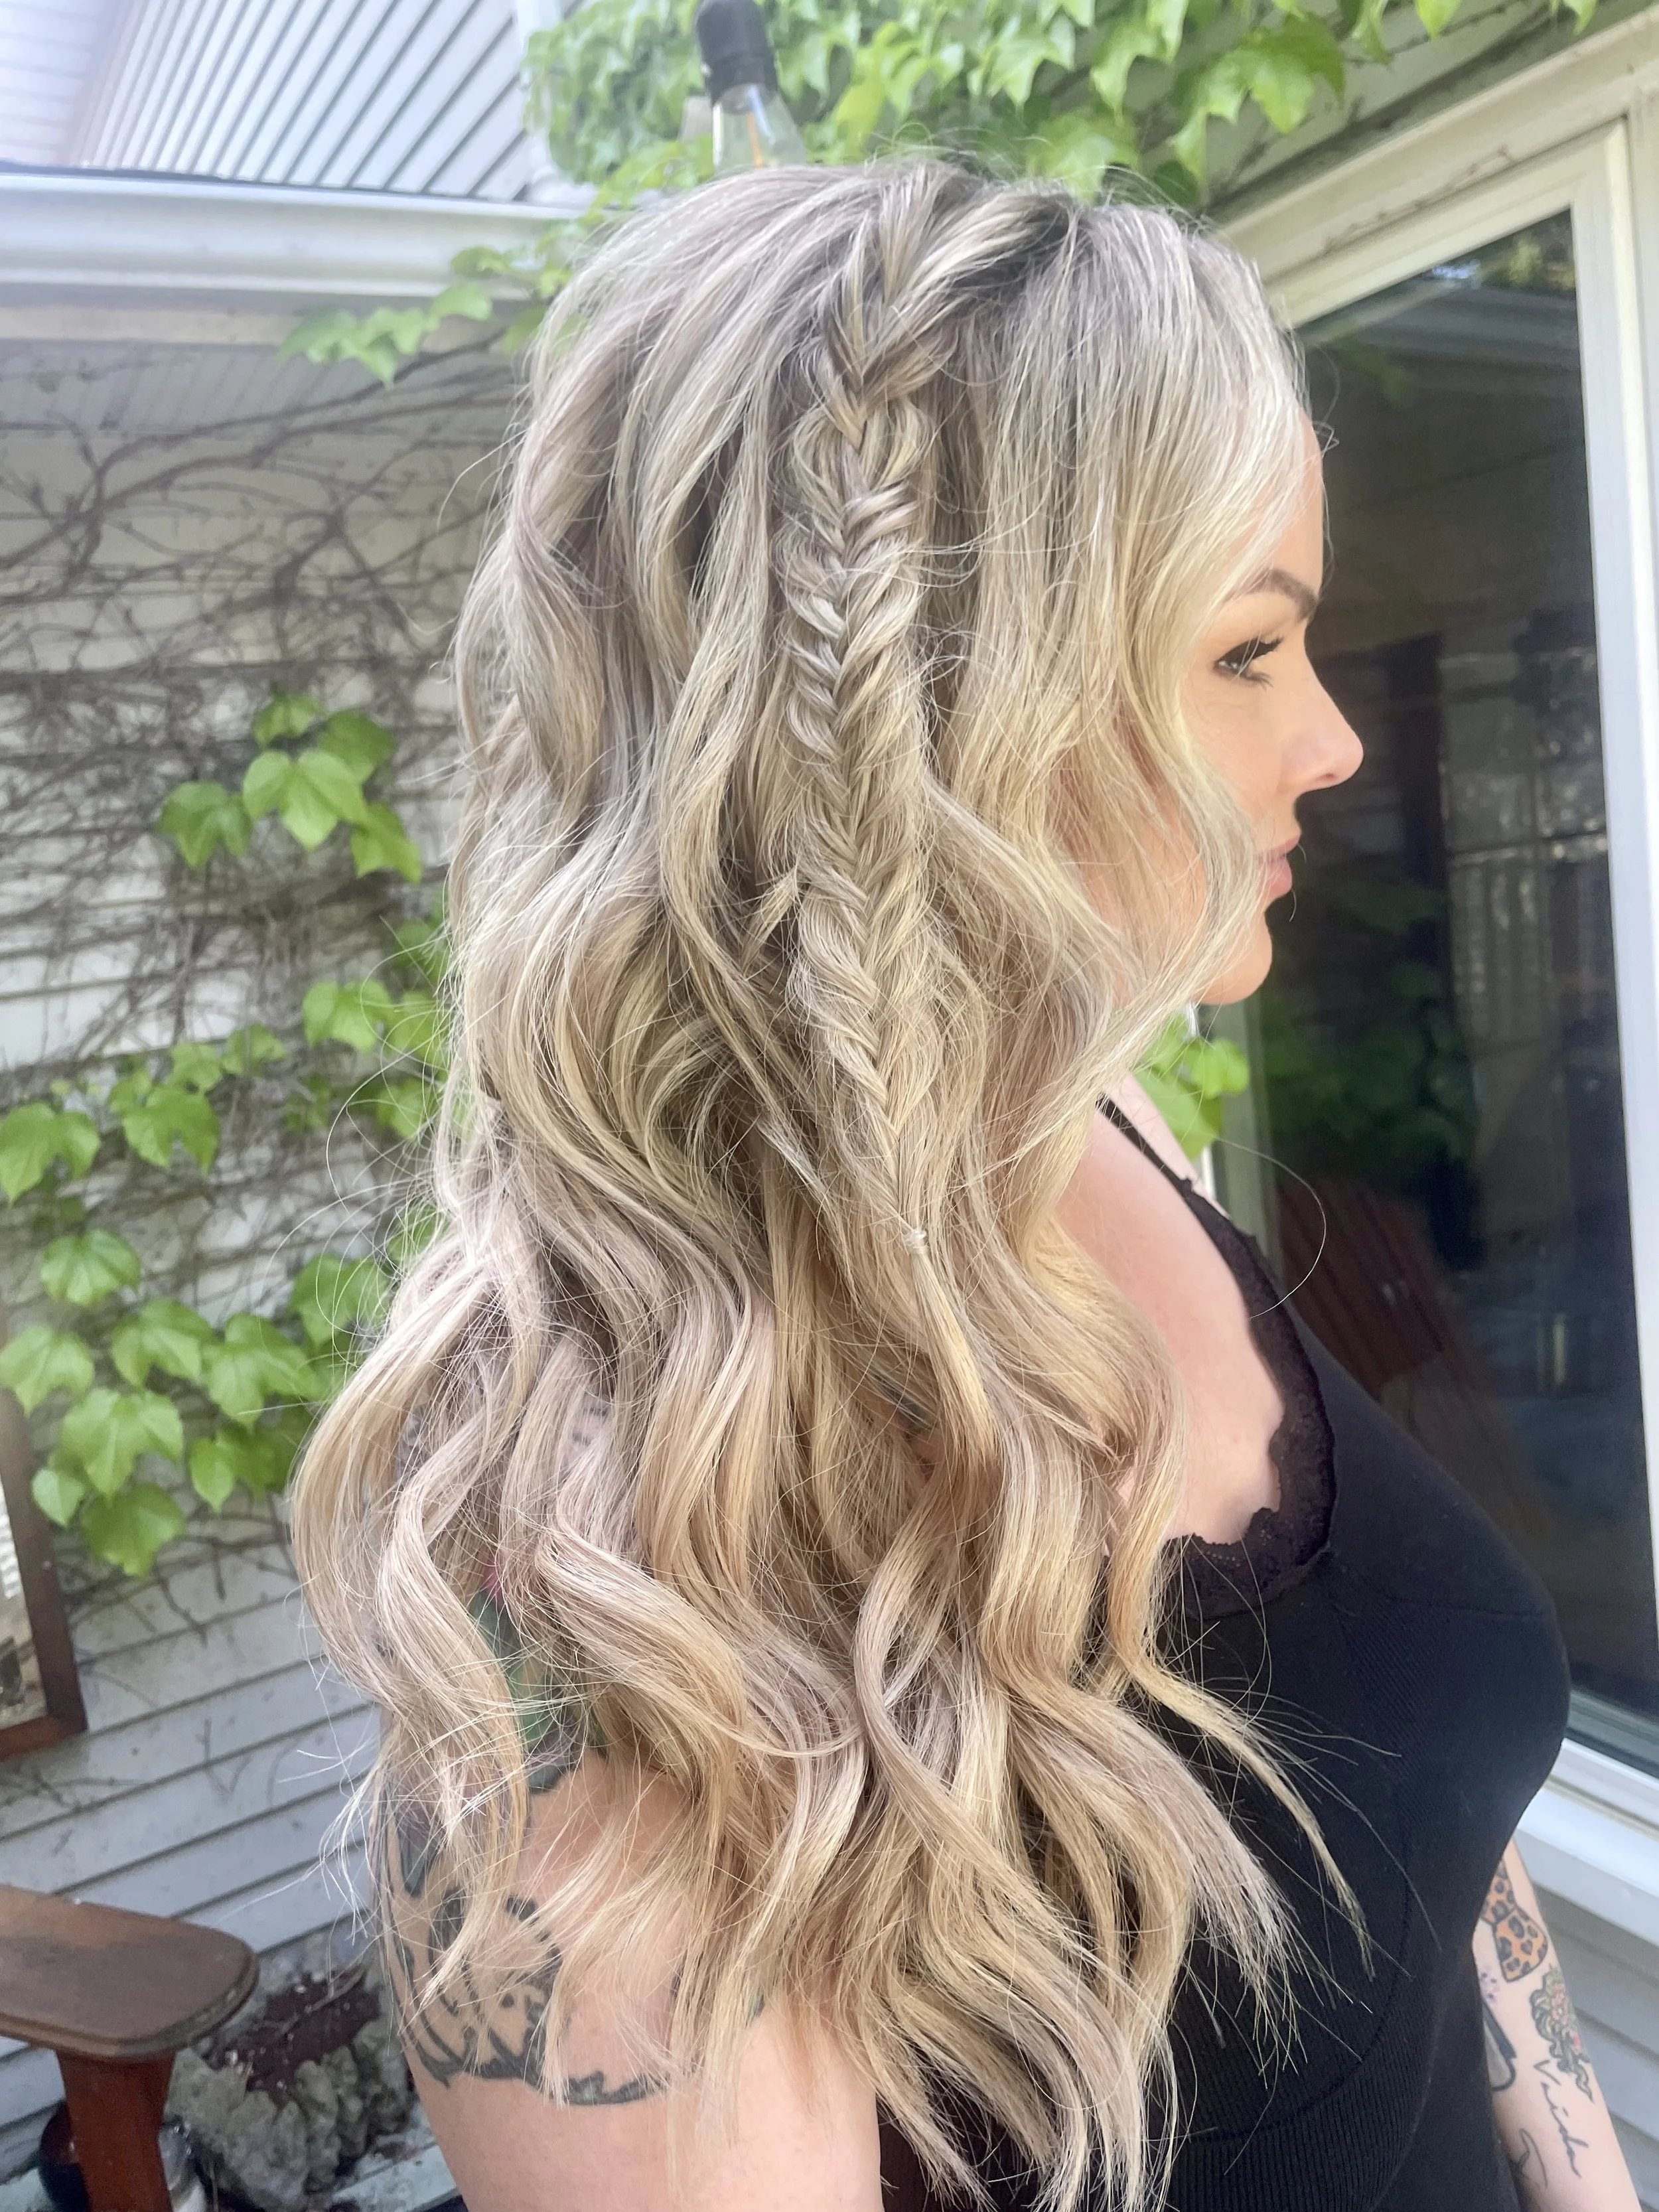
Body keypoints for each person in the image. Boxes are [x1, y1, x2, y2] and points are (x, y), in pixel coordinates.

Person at [292, 161, 1642, 2212]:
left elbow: (1422, 1815)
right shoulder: (598, 1593)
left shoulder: (1111, 1134)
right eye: (1248, 648)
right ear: (934, 717)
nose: (1336, 740)